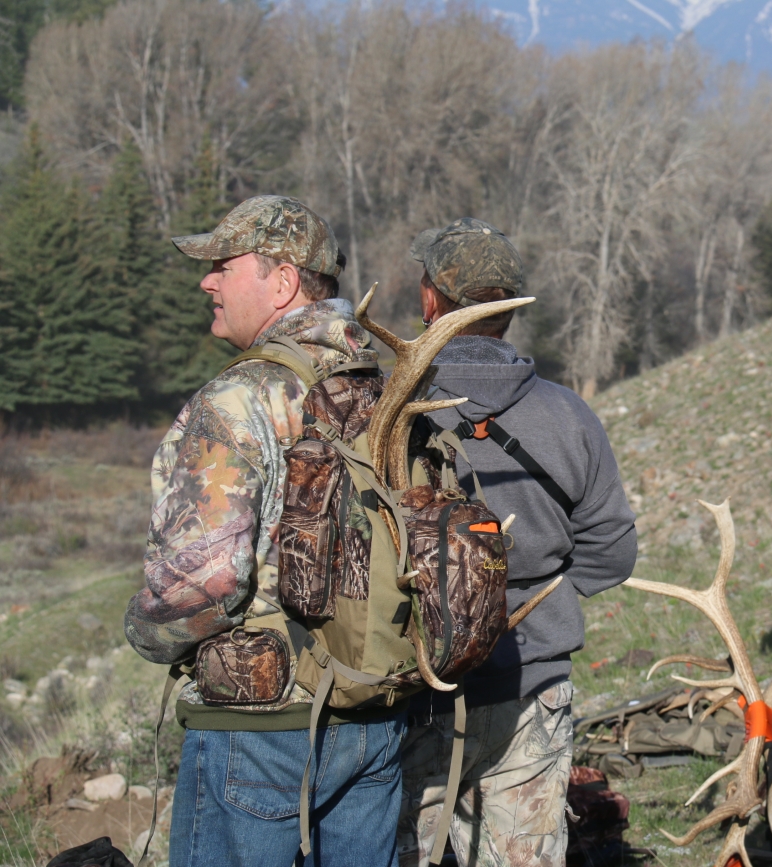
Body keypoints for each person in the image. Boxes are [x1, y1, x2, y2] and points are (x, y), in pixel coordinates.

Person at [123, 196, 409, 866]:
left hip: (260, 732)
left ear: (282, 282)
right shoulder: (383, 390)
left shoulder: (239, 398)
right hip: (374, 716)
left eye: (224, 266)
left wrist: (144, 630)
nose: (208, 281)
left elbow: (203, 586)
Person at [396, 219, 638, 866]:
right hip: (533, 682)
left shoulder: (389, 411)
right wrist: (541, 594)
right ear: (510, 309)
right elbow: (613, 551)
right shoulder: (568, 414)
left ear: (431, 299)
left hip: (416, 685)